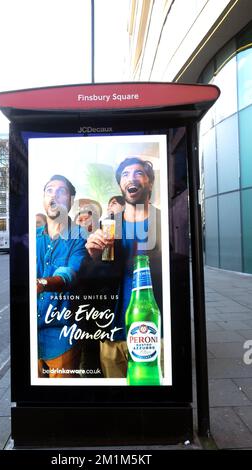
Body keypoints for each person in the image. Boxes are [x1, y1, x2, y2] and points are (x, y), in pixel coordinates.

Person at [85, 157, 162, 378]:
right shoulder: (110, 225)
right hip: (112, 329)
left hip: (154, 331)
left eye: (138, 173)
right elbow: (96, 278)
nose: (131, 178)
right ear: (121, 185)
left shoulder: (163, 221)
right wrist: (93, 256)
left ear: (149, 181)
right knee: (115, 396)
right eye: (126, 174)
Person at [36, 174, 88, 378]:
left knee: (63, 400)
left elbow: (69, 275)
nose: (54, 195)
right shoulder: (33, 238)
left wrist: (41, 283)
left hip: (62, 337)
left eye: (61, 191)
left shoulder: (80, 235)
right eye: (49, 190)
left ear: (71, 200)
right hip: (32, 336)